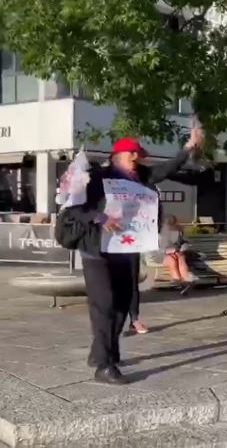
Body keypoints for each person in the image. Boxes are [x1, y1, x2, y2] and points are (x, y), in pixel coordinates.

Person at [64, 134, 198, 384]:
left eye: (139, 156)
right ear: (116, 156)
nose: (136, 159)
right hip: (97, 250)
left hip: (126, 249)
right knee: (104, 304)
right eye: (131, 154)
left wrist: (187, 149)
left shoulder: (142, 178)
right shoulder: (97, 178)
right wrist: (100, 217)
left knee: (123, 304)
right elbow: (74, 208)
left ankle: (101, 352)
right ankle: (104, 366)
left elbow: (167, 169)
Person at [159, 215, 195, 295]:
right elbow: (157, 249)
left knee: (180, 256)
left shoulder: (179, 232)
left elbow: (186, 243)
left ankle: (186, 280)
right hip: (162, 256)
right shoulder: (159, 234)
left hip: (176, 253)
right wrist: (170, 251)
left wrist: (182, 249)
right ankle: (180, 283)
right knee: (172, 260)